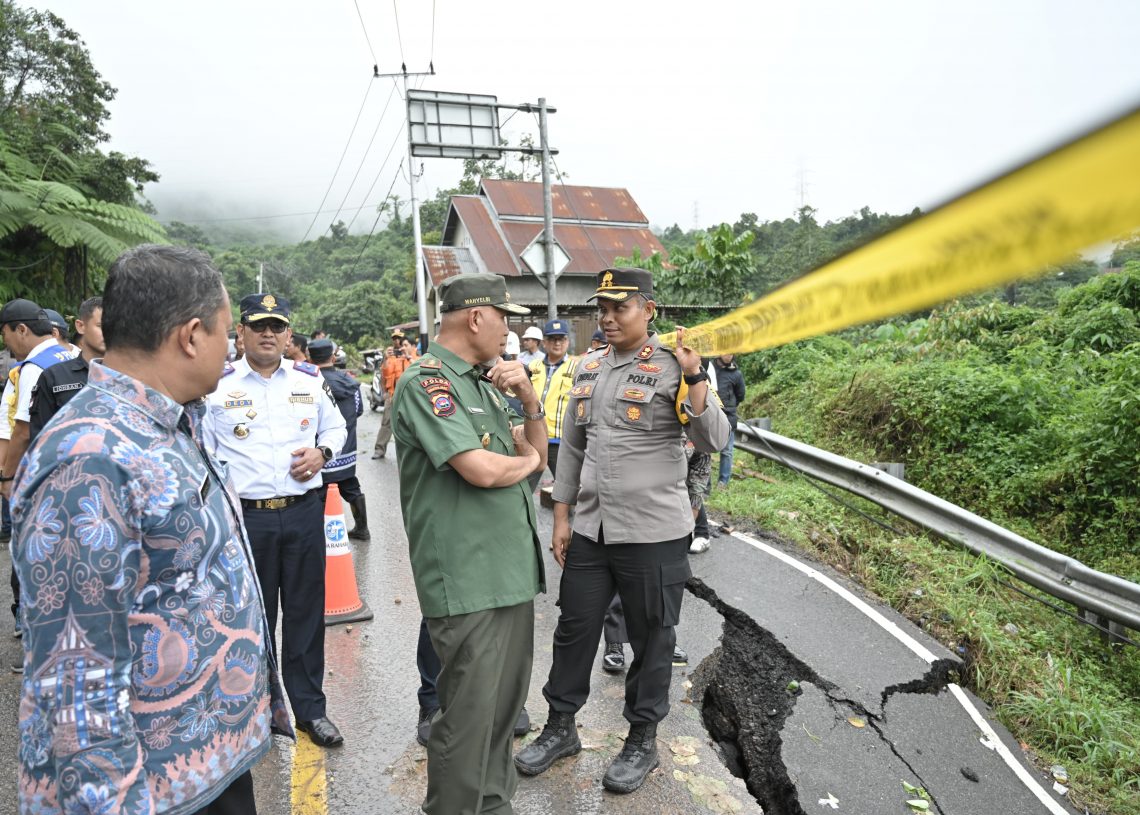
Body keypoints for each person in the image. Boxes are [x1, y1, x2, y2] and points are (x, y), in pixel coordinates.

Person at [10, 244, 288, 814]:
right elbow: (77, 684)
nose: (233, 347)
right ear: (191, 336)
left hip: (202, 762)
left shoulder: (163, 421)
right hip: (153, 790)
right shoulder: (90, 458)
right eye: (227, 332)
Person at [515, 267, 730, 794]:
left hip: (653, 534)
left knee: (652, 638)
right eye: (603, 309)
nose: (608, 318)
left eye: (620, 308)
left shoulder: (677, 365)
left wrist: (695, 377)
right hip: (592, 530)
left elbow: (715, 439)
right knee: (574, 630)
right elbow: (574, 448)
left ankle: (642, 740)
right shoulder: (588, 366)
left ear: (648, 310)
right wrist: (561, 515)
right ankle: (561, 727)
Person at [393, 272, 547, 815]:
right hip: (467, 576)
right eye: (504, 318)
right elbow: (480, 468)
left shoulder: (484, 384)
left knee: (503, 709)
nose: (509, 330)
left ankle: (493, 802)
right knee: (467, 717)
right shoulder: (427, 382)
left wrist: (528, 397)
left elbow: (535, 453)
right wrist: (529, 460)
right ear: (477, 317)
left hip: (508, 571)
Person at [202, 292, 348, 748]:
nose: (268, 333)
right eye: (259, 325)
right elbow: (203, 452)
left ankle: (309, 710)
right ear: (241, 332)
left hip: (303, 513)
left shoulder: (308, 380)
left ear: (288, 335)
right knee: (250, 619)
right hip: (247, 520)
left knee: (305, 614)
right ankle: (255, 712)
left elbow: (337, 427)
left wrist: (322, 452)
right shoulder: (218, 386)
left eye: (277, 326)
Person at [0, 299, 74, 500]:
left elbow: (23, 431)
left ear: (22, 330)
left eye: (4, 334)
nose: (6, 342)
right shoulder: (68, 356)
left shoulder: (34, 367)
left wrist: (7, 477)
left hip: (42, 472)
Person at [310, 338, 369, 540]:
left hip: (320, 453)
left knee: (318, 494)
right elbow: (358, 410)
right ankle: (362, 528)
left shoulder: (309, 383)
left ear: (310, 358)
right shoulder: (351, 383)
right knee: (351, 487)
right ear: (333, 357)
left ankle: (319, 536)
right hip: (347, 450)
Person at [28, 296, 104, 439]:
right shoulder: (54, 377)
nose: (108, 332)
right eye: (101, 326)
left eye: (113, 326)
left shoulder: (129, 375)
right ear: (80, 326)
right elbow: (39, 437)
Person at [526, 317, 578, 492]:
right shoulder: (532, 367)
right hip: (533, 437)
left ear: (567, 341)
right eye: (552, 339)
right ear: (544, 343)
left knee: (567, 489)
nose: (557, 343)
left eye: (561, 339)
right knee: (524, 488)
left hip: (561, 440)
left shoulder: (576, 368)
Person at [372, 329, 415, 459]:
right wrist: (385, 358)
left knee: (411, 425)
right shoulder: (390, 356)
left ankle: (411, 455)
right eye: (394, 338)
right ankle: (379, 449)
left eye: (399, 339)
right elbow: (384, 375)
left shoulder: (414, 357)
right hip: (392, 396)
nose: (397, 341)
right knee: (386, 423)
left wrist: (408, 357)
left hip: (409, 398)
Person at [711, 353, 746, 485]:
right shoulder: (709, 368)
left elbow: (741, 395)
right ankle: (704, 482)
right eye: (726, 352)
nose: (728, 356)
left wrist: (729, 405)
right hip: (710, 414)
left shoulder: (736, 374)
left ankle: (723, 482)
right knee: (705, 451)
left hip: (728, 416)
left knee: (726, 451)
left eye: (731, 353)